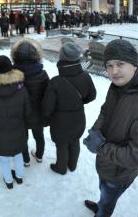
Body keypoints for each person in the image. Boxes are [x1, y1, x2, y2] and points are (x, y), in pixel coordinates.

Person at [83, 39, 138, 217]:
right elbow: (105, 110)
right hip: (105, 164)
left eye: (120, 64)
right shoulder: (118, 85)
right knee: (104, 193)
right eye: (109, 65)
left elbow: (137, 155)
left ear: (134, 65)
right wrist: (96, 131)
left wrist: (101, 147)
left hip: (119, 174)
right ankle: (101, 205)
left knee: (109, 198)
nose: (113, 71)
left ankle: (102, 213)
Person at [42, 42, 96, 175]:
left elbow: (47, 108)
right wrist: (78, 103)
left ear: (62, 59)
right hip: (78, 119)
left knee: (62, 145)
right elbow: (92, 95)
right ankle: (72, 165)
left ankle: (61, 168)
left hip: (60, 122)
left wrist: (46, 117)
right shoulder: (85, 76)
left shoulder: (55, 82)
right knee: (74, 141)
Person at [0, 56, 31, 189]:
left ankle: (8, 181)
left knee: (3, 158)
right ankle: (19, 177)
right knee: (18, 154)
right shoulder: (21, 89)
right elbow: (28, 111)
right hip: (18, 129)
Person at [11, 38, 49, 166]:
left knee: (23, 138)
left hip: (21, 115)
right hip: (38, 114)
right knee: (39, 136)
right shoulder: (42, 74)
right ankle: (39, 155)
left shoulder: (12, 75)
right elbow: (47, 95)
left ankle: (26, 159)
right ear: (36, 55)